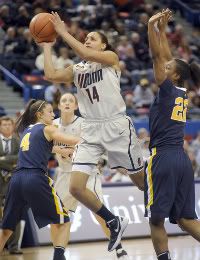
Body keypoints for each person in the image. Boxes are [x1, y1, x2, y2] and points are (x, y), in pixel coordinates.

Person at [40, 11, 144, 252]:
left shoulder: (110, 57)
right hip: (91, 128)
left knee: (140, 182)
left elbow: (86, 53)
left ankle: (164, 204)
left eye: (92, 38)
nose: (87, 40)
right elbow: (51, 75)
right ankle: (113, 220)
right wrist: (47, 45)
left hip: (116, 125)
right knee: (76, 187)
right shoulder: (78, 69)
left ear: (104, 44)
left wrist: (64, 31)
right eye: (85, 38)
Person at [145, 9, 200, 260]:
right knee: (186, 219)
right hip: (182, 160)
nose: (163, 67)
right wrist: (162, 30)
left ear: (173, 74)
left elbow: (158, 55)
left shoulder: (167, 90)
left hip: (164, 158)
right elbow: (167, 57)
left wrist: (150, 26)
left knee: (156, 220)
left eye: (167, 68)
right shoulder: (181, 91)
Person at [0, 99, 79, 260]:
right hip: (35, 178)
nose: (53, 114)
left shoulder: (27, 131)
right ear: (39, 115)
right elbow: (72, 140)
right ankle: (58, 257)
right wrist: (95, 141)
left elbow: (55, 148)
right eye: (50, 112)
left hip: (16, 180)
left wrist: (68, 151)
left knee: (6, 229)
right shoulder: (48, 128)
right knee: (63, 221)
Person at [53, 92, 129, 259]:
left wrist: (65, 150)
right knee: (58, 216)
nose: (66, 103)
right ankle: (58, 253)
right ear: (58, 106)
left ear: (76, 106)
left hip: (85, 172)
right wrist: (58, 149)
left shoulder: (83, 124)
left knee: (98, 212)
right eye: (63, 100)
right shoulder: (52, 125)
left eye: (70, 100)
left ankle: (119, 248)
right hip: (64, 173)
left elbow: (91, 148)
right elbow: (46, 145)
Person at [0, 116, 24, 255]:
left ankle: (14, 247)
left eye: (9, 124)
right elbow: (14, 160)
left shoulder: (18, 141)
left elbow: (20, 159)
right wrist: (11, 162)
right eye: (4, 124)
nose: (7, 127)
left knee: (14, 216)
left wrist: (2, 159)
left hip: (14, 183)